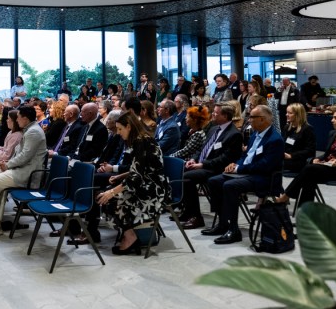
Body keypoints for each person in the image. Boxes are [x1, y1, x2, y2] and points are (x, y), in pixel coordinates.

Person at [203, 105, 284, 244]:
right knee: (213, 181)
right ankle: (223, 222)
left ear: (262, 119)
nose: (249, 120)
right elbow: (245, 155)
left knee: (230, 186)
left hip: (263, 177)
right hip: (247, 172)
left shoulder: (275, 140)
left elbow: (265, 166)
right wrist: (235, 164)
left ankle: (233, 230)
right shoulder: (255, 134)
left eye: (252, 117)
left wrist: (240, 169)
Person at [0, 106, 48, 239]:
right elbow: (20, 154)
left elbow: (25, 156)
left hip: (26, 174)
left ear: (25, 118)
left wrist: (8, 165)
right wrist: (7, 164)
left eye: (18, 117)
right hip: (18, 169)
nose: (17, 119)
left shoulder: (33, 132)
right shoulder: (29, 130)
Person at [97, 112, 170, 255]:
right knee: (103, 196)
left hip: (154, 189)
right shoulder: (139, 140)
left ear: (129, 127)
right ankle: (129, 234)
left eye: (120, 129)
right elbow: (139, 170)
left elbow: (137, 176)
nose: (118, 133)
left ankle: (129, 236)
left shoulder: (143, 141)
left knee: (109, 199)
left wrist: (112, 192)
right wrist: (120, 176)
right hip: (145, 183)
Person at [276, 108, 336, 205]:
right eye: (333, 117)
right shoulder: (333, 133)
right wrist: (317, 159)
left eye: (335, 118)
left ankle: (286, 196)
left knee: (309, 169)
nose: (332, 120)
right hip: (329, 168)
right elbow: (326, 155)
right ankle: (305, 212)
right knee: (309, 178)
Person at [178, 103, 243, 229]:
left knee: (187, 177)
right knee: (179, 170)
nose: (212, 114)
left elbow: (225, 159)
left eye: (216, 113)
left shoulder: (234, 134)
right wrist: (193, 159)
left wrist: (202, 164)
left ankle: (196, 216)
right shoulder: (213, 129)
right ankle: (188, 210)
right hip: (204, 164)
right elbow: (202, 149)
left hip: (217, 169)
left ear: (225, 116)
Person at [282, 103, 317, 172]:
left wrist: (291, 155)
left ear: (298, 115)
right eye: (287, 112)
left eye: (290, 113)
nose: (286, 115)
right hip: (285, 158)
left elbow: (310, 151)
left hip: (298, 160)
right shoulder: (287, 127)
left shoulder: (307, 129)